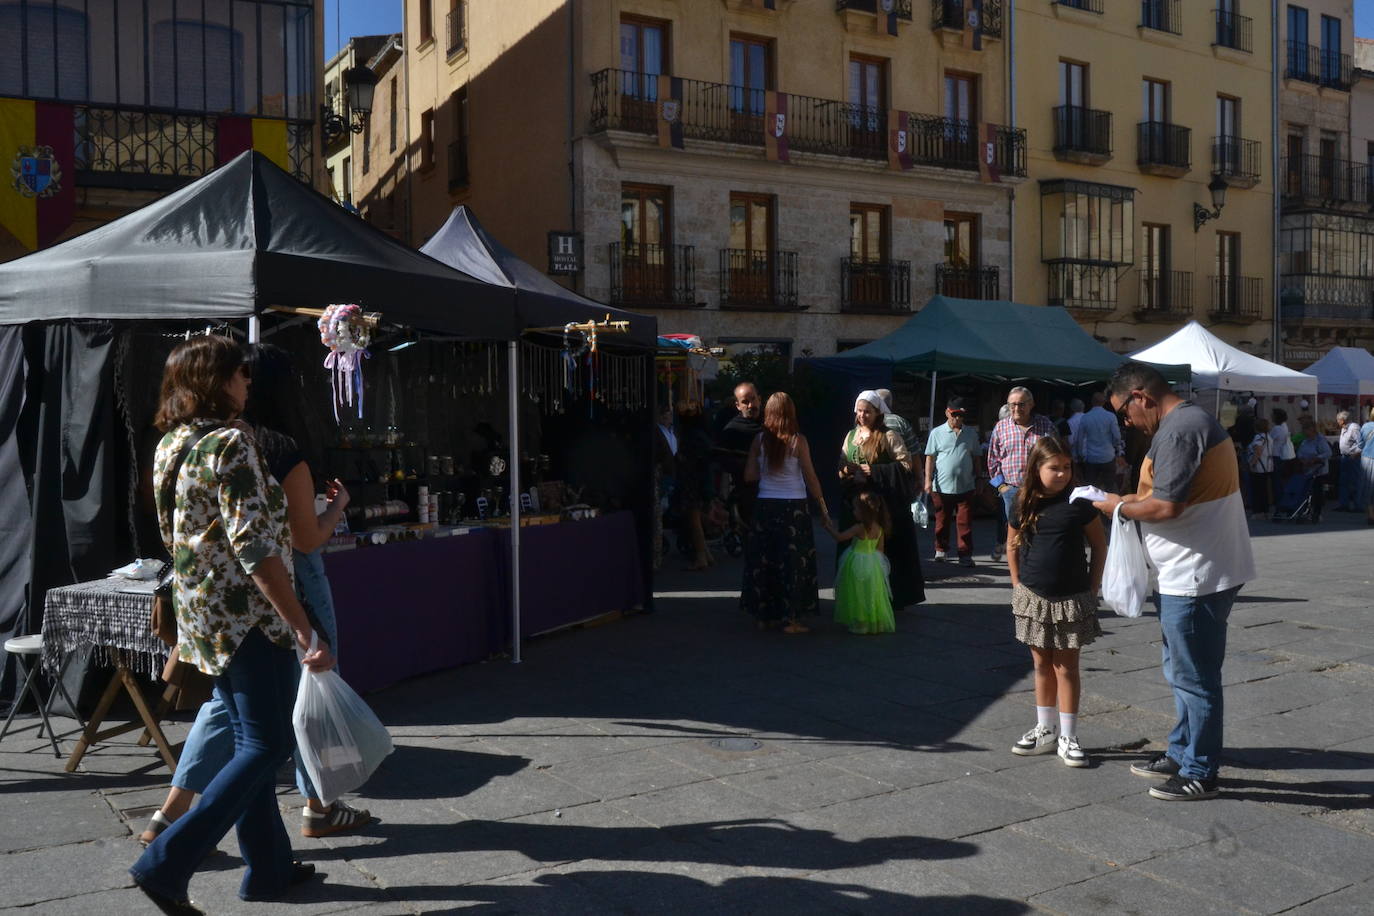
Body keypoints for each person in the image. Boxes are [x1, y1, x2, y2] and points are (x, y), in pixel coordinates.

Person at [138, 346, 370, 851]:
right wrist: (304, 627)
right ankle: (175, 851)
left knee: (231, 718)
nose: (245, 383)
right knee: (267, 742)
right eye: (238, 374)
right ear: (219, 381)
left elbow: (173, 531)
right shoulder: (246, 447)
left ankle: (263, 862)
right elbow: (270, 548)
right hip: (257, 608)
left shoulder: (172, 442)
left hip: (202, 609)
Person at [1094, 362, 1255, 802]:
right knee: (1181, 670)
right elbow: (1163, 495)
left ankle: (1200, 770)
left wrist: (1117, 508)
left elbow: (1166, 507)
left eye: (1124, 413)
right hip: (1190, 569)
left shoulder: (1180, 430)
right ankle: (1182, 750)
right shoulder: (1188, 421)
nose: (1126, 422)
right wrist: (1125, 500)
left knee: (1195, 677)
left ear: (1141, 396)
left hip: (1196, 574)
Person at [1008, 437, 1106, 768]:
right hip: (1034, 596)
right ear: (1037, 468)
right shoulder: (1021, 503)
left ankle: (1068, 734)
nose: (1063, 474)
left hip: (1072, 597)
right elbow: (1011, 545)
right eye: (1055, 468)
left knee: (1067, 667)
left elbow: (1099, 545)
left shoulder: (1079, 502)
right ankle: (1045, 728)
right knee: (1040, 664)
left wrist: (1093, 588)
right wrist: (1016, 583)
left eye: (1067, 467)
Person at [741, 392, 828, 633]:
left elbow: (749, 475)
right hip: (794, 507)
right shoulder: (798, 441)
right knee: (793, 562)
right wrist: (823, 507)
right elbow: (811, 477)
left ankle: (763, 615)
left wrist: (766, 470)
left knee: (765, 560)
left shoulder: (759, 440)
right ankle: (792, 618)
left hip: (765, 505)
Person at [840, 391, 925, 609]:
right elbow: (840, 466)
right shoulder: (851, 436)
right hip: (857, 505)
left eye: (867, 411)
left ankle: (886, 598)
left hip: (883, 505)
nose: (862, 415)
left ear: (878, 413)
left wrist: (875, 471)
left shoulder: (888, 436)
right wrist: (846, 471)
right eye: (859, 411)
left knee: (883, 553)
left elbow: (905, 464)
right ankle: (859, 597)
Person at [986, 387, 1057, 562]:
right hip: (1011, 489)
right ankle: (1018, 569)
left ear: (1031, 404)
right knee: (1014, 530)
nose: (1016, 409)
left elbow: (1056, 453)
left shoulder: (1045, 425)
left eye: (1021, 404)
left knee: (1039, 528)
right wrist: (1002, 486)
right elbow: (992, 459)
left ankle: (1034, 563)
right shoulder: (1001, 428)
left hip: (1040, 489)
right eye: (1012, 405)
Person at [824, 491, 895, 635]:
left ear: (863, 512)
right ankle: (877, 622)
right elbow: (880, 550)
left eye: (856, 509)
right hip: (873, 563)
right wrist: (876, 565)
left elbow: (840, 537)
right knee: (873, 592)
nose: (853, 511)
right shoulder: (879, 529)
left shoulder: (859, 528)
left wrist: (827, 527)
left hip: (856, 562)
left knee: (858, 592)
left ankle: (861, 623)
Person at [923, 396, 980, 567]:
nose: (957, 418)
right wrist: (927, 480)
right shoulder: (937, 433)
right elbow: (930, 458)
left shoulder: (971, 433)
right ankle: (941, 549)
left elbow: (977, 457)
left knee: (965, 523)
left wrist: (980, 478)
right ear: (947, 412)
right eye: (954, 414)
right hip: (941, 486)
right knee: (942, 521)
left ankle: (965, 554)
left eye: (961, 415)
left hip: (966, 485)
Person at [674, 400, 715, 570]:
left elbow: (688, 461)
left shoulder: (689, 437)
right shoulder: (702, 434)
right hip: (702, 480)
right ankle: (706, 553)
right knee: (696, 517)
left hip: (692, 482)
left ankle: (701, 556)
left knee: (694, 519)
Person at [716, 382, 763, 528]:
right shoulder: (732, 431)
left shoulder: (769, 426)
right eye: (745, 402)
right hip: (747, 496)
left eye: (753, 399)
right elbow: (723, 462)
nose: (750, 405)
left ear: (759, 399)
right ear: (737, 405)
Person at [1072, 391, 1125, 493]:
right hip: (1108, 456)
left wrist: (1080, 455)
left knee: (1091, 488)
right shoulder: (1110, 416)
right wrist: (1114, 447)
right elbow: (1117, 437)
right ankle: (1111, 507)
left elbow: (1079, 439)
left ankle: (1090, 508)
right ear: (1104, 402)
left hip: (1091, 458)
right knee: (1110, 486)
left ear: (1092, 402)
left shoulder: (1085, 417)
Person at [1295, 415, 1331, 522]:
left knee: (1317, 492)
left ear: (1312, 429)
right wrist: (1303, 460)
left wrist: (1315, 459)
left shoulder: (1320, 440)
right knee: (1307, 492)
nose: (1305, 433)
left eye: (1306, 431)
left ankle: (1317, 513)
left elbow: (1328, 453)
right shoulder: (1305, 441)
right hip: (1307, 470)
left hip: (1318, 470)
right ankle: (1306, 511)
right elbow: (1299, 453)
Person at [876, 388, 920, 459]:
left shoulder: (866, 421)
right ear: (891, 403)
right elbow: (914, 453)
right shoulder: (900, 422)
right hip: (897, 467)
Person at [1247, 418, 1273, 519]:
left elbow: (1258, 451)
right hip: (1267, 467)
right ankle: (1265, 510)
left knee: (1257, 490)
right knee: (1264, 490)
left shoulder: (1258, 437)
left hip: (1258, 467)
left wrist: (1252, 463)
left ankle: (1258, 511)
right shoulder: (1268, 436)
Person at [1336, 410, 1362, 511]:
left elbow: (1361, 443)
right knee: (1343, 481)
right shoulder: (1344, 428)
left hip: (1353, 457)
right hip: (1344, 457)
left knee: (1355, 481)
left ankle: (1358, 505)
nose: (1337, 422)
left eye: (1338, 420)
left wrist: (1356, 454)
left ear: (1342, 420)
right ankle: (1344, 504)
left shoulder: (1354, 428)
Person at [1362, 406, 1374, 526]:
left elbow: (1360, 443)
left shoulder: (1365, 426)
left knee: (1368, 487)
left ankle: (1371, 515)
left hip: (1367, 459)